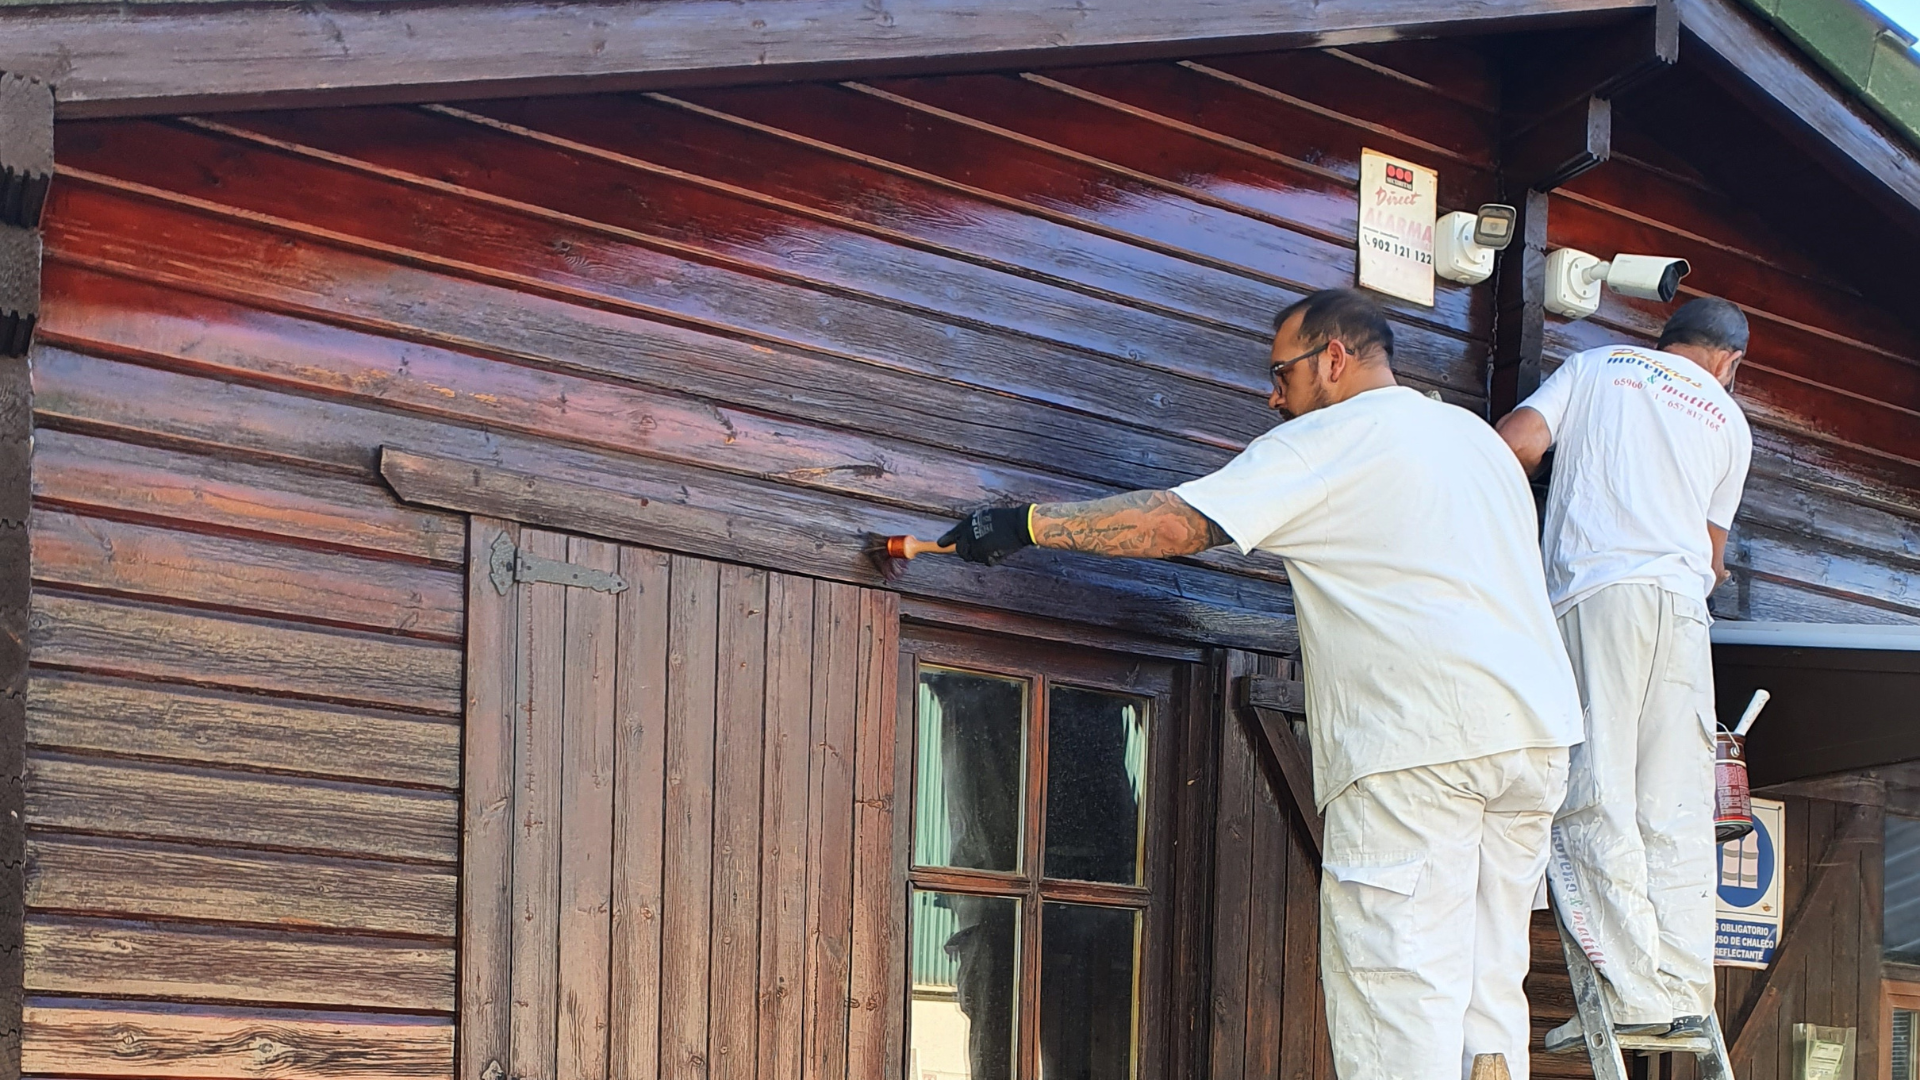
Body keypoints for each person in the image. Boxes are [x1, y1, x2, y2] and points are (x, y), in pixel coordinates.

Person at [938, 288, 1583, 1080]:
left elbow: (1179, 522)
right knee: (1489, 997)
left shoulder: (1339, 434)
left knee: (1400, 991)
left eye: (1281, 373)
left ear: (1335, 360)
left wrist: (1024, 524)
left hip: (1422, 742)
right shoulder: (1474, 441)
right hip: (1533, 741)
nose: (1272, 395)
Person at [1494, 298, 1753, 1050]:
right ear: (1729, 364)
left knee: (1593, 787)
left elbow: (1517, 444)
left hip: (1598, 594)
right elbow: (1711, 558)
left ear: (1666, 341)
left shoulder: (1598, 366)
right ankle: (1681, 989)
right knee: (1672, 803)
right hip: (1682, 616)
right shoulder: (1729, 422)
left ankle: (1632, 990)